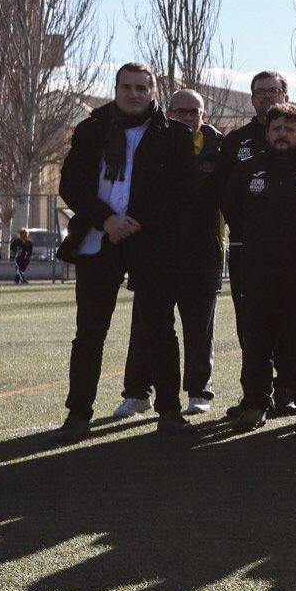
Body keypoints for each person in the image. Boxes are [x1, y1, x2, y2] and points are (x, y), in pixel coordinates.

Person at [53, 62, 193, 441]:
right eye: (127, 87)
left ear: (153, 92)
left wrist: (135, 222)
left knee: (161, 329)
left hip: (151, 243)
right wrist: (107, 221)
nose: (134, 94)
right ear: (115, 89)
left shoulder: (174, 135)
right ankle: (78, 416)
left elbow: (180, 194)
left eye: (142, 88)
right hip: (99, 240)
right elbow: (72, 185)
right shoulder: (92, 129)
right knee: (89, 333)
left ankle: (170, 412)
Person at [111, 88, 225, 420]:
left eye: (194, 112)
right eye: (180, 111)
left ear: (204, 116)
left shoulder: (220, 148)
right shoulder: (151, 143)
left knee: (198, 326)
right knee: (146, 325)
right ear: (168, 113)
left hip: (203, 252)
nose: (188, 118)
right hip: (156, 252)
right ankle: (137, 393)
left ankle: (199, 391)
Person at [217, 69, 296, 417]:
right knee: (257, 337)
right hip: (257, 268)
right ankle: (255, 401)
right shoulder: (248, 169)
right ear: (267, 133)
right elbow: (230, 205)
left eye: (289, 129)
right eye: (276, 129)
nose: (282, 134)